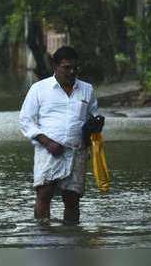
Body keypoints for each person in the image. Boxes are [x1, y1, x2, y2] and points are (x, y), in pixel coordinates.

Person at [18, 46, 102, 225]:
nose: (71, 72)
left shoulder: (87, 89)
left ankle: (71, 237)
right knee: (44, 194)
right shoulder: (39, 89)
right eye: (66, 68)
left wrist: (95, 126)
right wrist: (48, 143)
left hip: (77, 151)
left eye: (74, 68)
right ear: (55, 67)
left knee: (72, 199)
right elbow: (26, 120)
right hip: (48, 152)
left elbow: (93, 116)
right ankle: (43, 236)